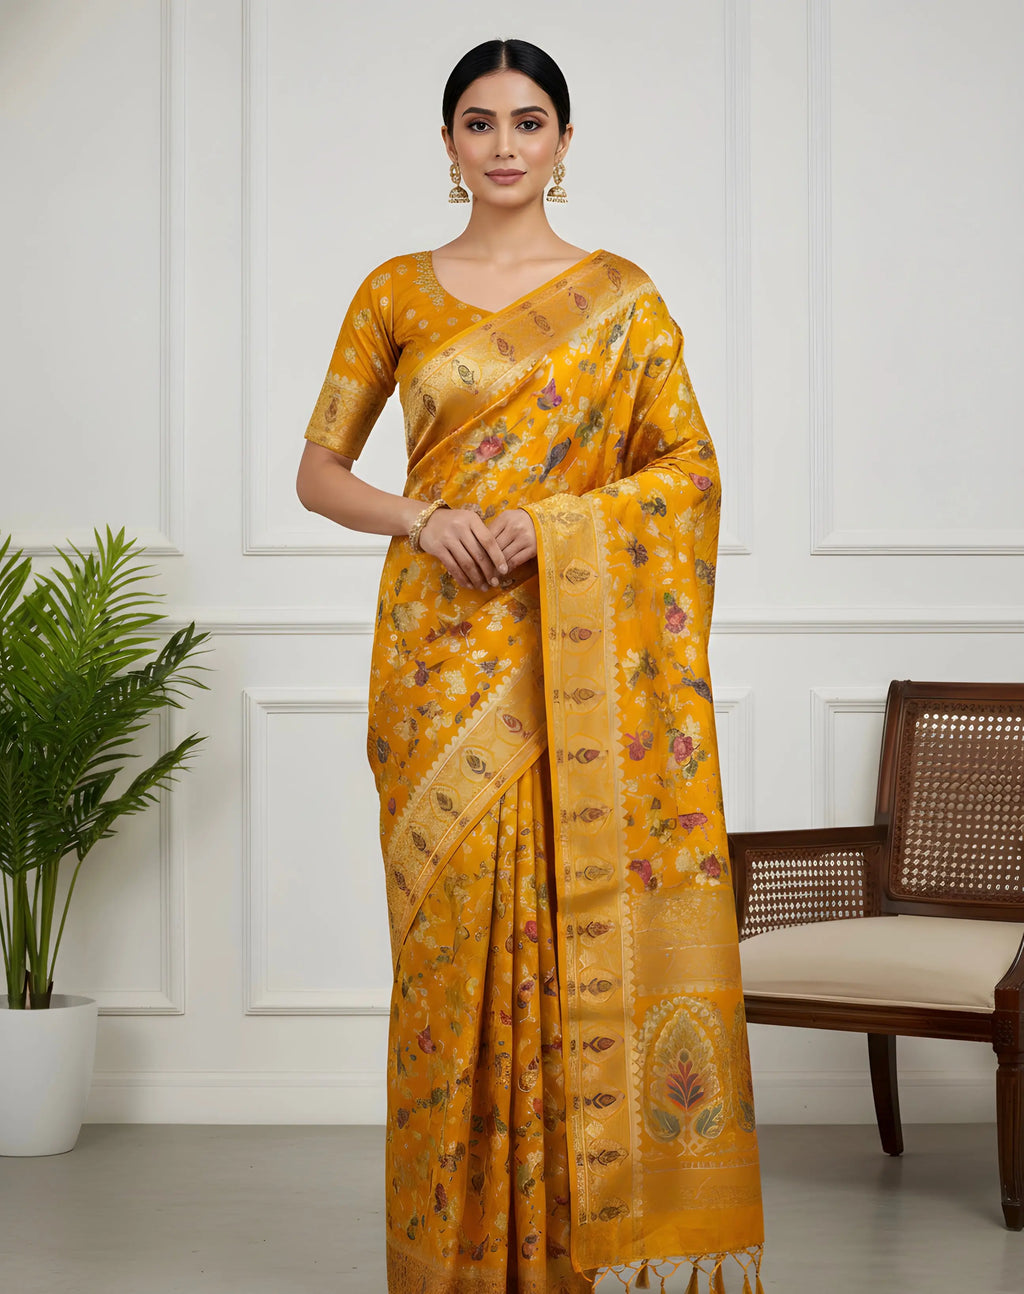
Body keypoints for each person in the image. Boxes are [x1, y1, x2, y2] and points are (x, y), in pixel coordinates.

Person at [295, 37, 766, 1294]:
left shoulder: (624, 296)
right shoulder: (394, 290)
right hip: (435, 661)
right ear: (445, 143)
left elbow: (689, 473)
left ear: (564, 141)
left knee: (572, 946)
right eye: (478, 121)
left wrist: (558, 524)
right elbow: (319, 472)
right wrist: (422, 517)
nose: (504, 144)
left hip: (578, 671)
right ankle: (451, 1263)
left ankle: (571, 1254)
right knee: (448, 961)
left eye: (530, 121)